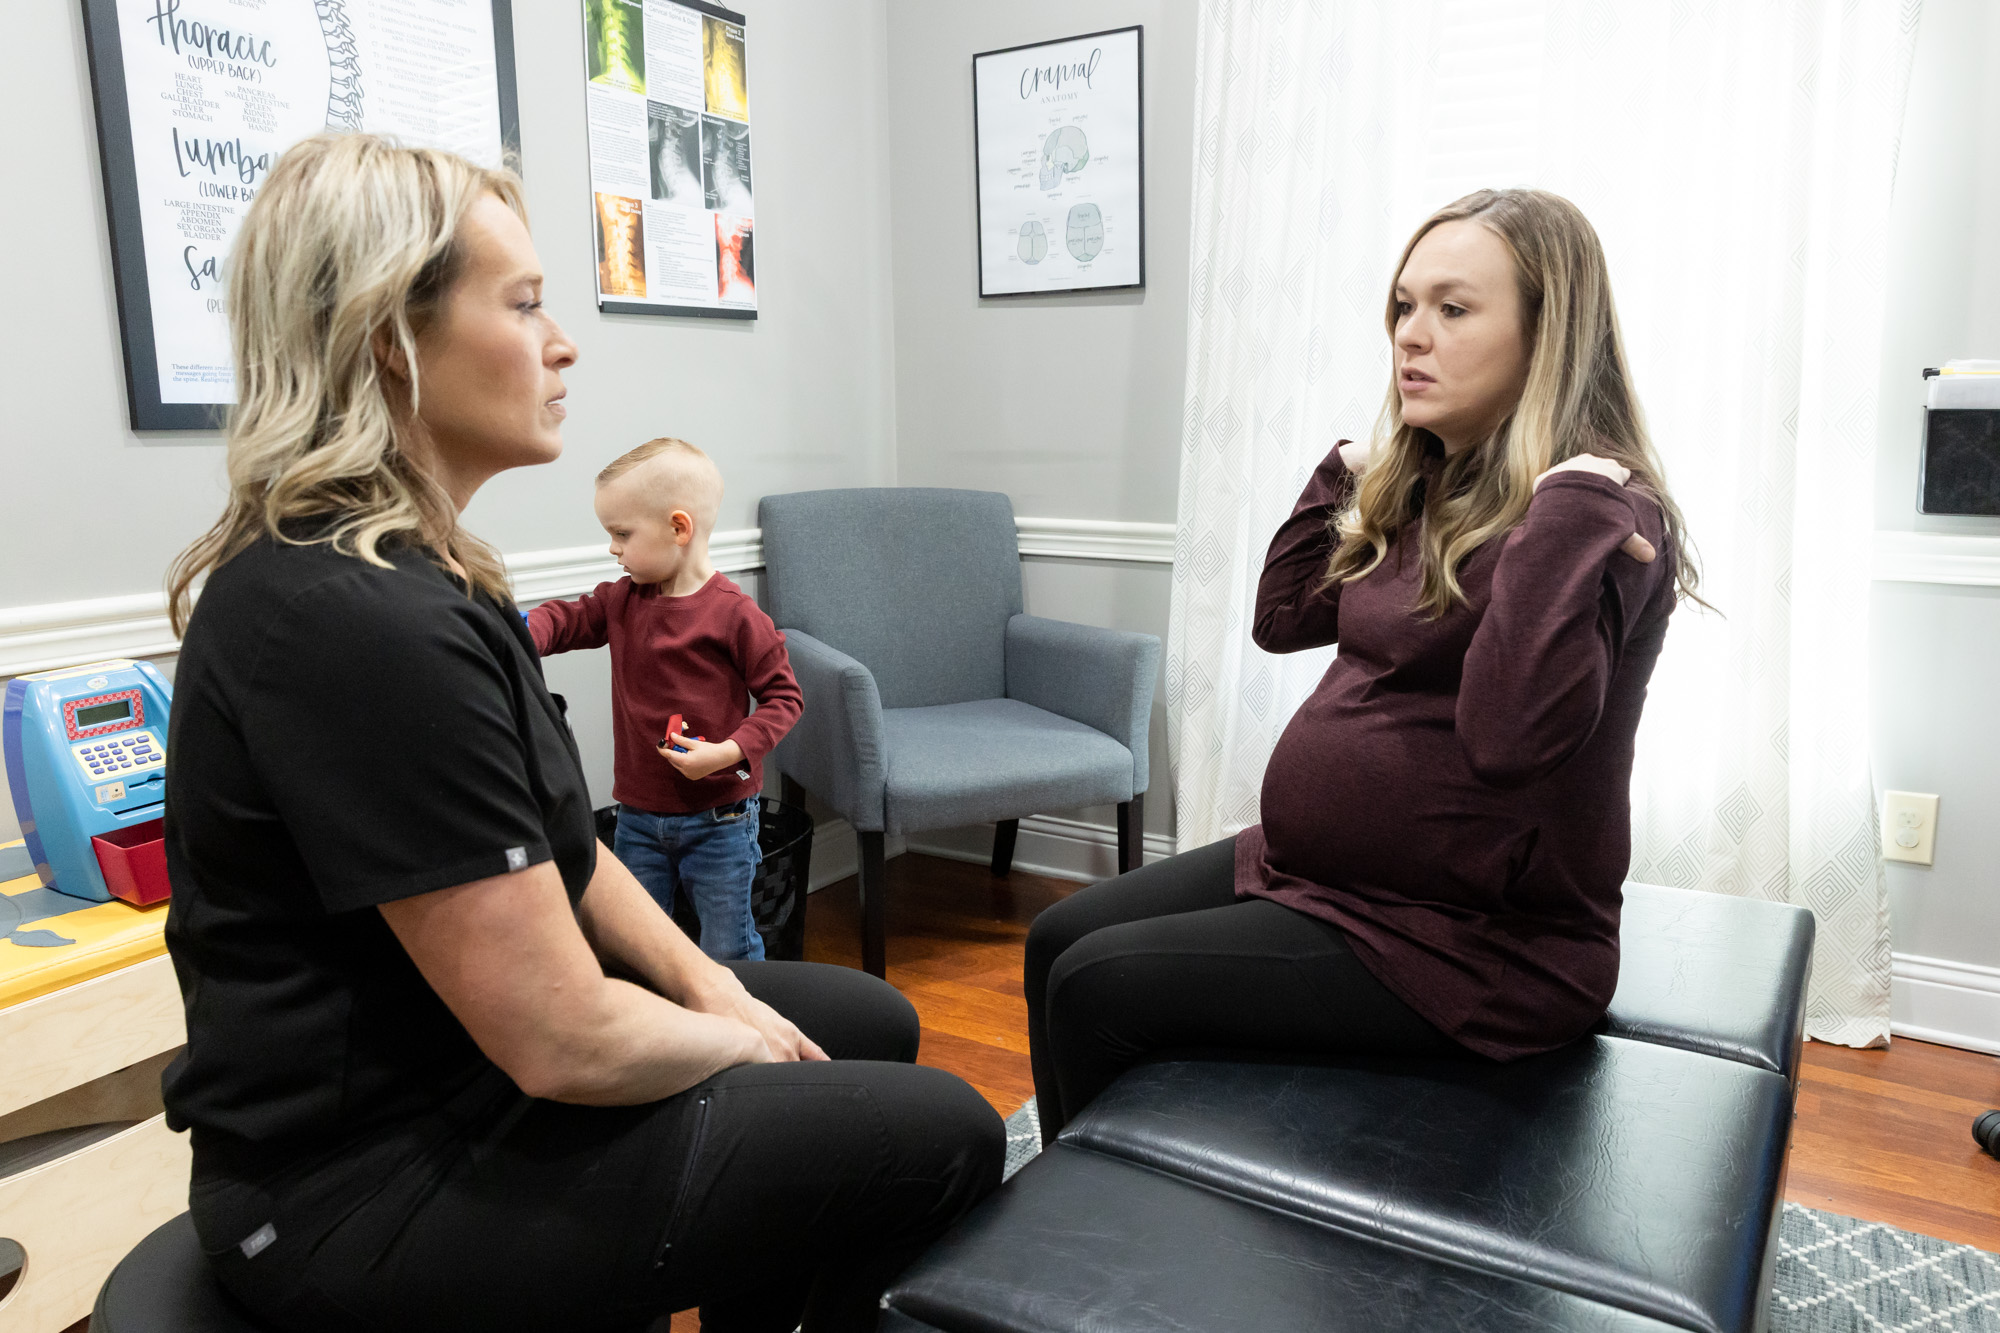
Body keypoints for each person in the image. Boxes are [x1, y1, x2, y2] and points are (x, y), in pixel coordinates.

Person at [160, 133, 1001, 1333]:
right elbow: (558, 1038)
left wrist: (717, 988)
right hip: (360, 1183)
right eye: (526, 304)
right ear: (387, 339)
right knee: (939, 1136)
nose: (562, 343)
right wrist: (745, 1053)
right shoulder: (348, 622)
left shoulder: (428, 579)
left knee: (865, 1022)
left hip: (472, 1079)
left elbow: (567, 848)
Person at [1026, 187, 1699, 1145]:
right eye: (1402, 307)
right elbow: (1282, 616)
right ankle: (1065, 1213)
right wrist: (1353, 464)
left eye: (1453, 309)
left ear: (1548, 336)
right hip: (1319, 877)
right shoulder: (1441, 485)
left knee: (1096, 984)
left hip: (1468, 945)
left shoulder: (1600, 527)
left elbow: (1509, 740)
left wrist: (1570, 510)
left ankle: (1099, 1241)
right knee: (1058, 937)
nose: (1410, 337)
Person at [529, 438, 801, 962]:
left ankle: (747, 1044)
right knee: (639, 951)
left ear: (679, 528)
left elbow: (784, 698)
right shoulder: (619, 601)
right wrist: (515, 630)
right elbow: (562, 620)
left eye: (621, 534)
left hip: (720, 822)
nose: (613, 548)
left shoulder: (736, 615)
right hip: (637, 819)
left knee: (729, 952)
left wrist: (727, 753)